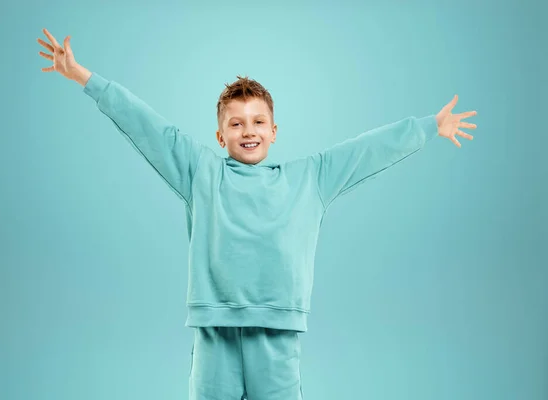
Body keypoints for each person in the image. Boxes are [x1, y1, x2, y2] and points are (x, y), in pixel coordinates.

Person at [37, 28, 477, 400]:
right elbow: (147, 126)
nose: (248, 130)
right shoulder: (200, 172)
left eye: (258, 121)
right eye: (236, 123)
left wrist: (428, 127)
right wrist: (81, 76)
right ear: (220, 134)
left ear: (274, 131)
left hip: (277, 334)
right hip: (215, 334)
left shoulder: (310, 178)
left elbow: (365, 152)